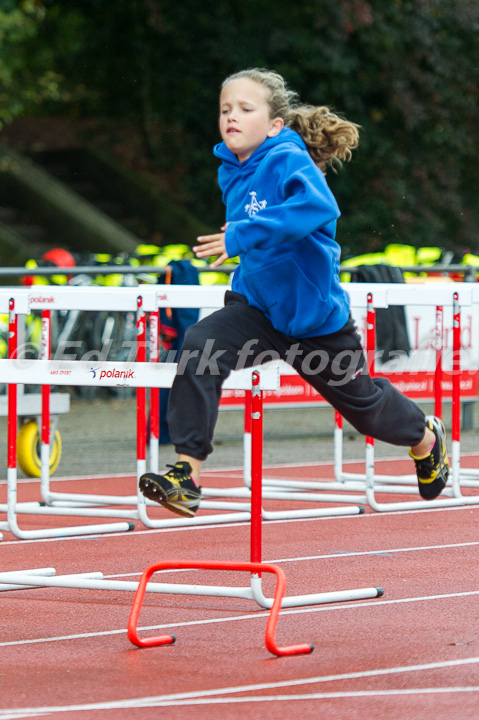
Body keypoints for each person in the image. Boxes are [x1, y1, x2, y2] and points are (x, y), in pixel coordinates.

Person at [139, 68, 449, 517]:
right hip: (258, 312)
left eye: (246, 109)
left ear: (274, 125)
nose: (232, 117)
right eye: (226, 109)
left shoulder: (288, 158)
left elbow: (318, 208)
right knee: (199, 346)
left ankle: (425, 437)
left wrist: (241, 235)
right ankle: (187, 476)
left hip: (314, 321)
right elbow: (261, 239)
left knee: (366, 412)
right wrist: (244, 240)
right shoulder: (231, 172)